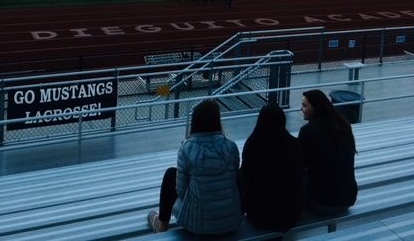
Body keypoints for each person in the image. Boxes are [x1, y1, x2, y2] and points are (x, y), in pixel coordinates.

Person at [147, 99, 242, 235]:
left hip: (198, 224)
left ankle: (161, 224)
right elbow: (234, 180)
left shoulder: (187, 149)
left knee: (171, 175)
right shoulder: (231, 147)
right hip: (231, 221)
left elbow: (181, 190)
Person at [240, 104, 303, 233]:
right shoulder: (294, 144)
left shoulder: (252, 143)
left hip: (260, 214)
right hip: (291, 213)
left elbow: (245, 175)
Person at [299, 89, 358, 214]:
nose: (301, 109)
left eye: (304, 105)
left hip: (321, 202)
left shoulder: (308, 131)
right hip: (347, 198)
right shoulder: (343, 126)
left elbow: (301, 163)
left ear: (316, 107)